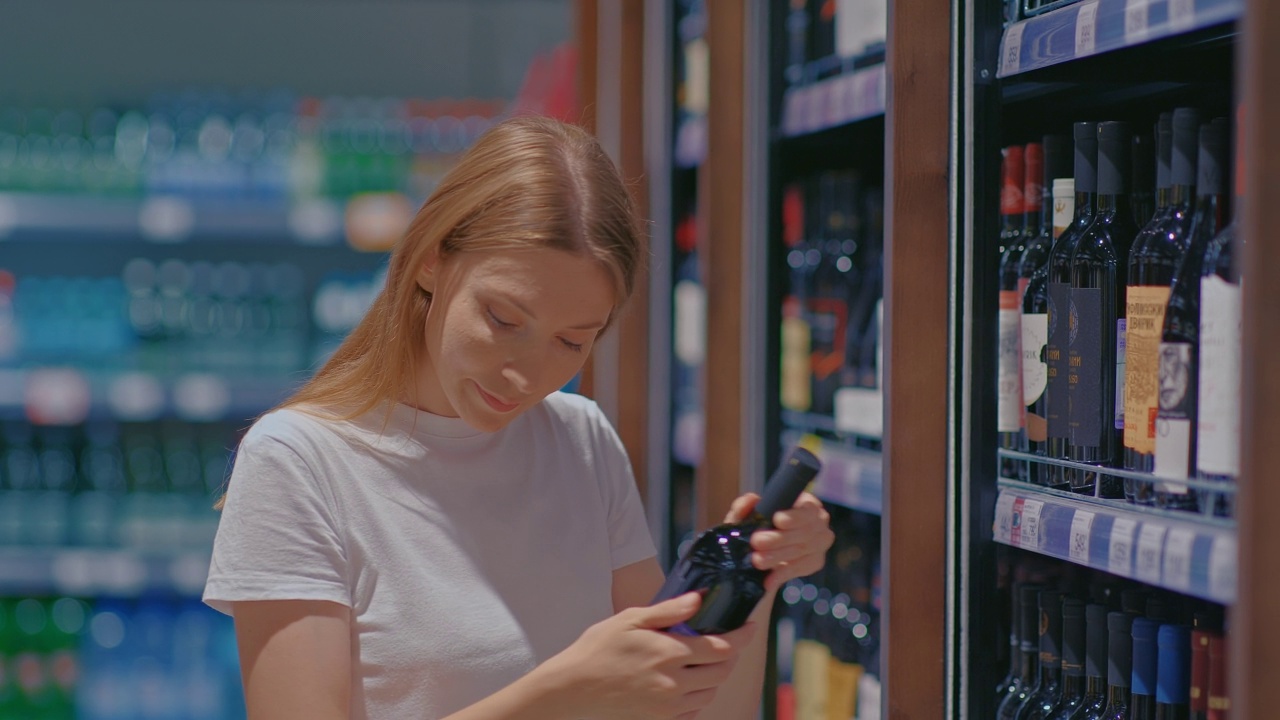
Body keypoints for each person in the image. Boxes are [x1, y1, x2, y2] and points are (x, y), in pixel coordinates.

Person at [203, 115, 834, 720]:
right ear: (431, 257)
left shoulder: (581, 439)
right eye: (504, 321)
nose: (525, 376)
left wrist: (755, 579)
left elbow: (692, 712)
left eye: (572, 341)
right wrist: (567, 691)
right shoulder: (298, 461)